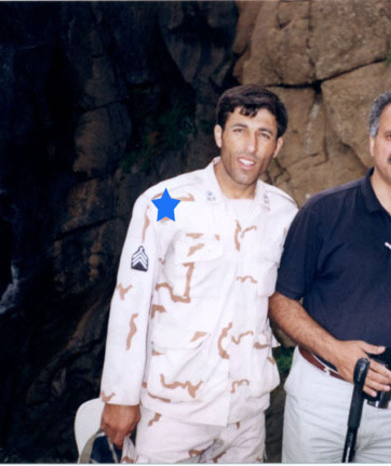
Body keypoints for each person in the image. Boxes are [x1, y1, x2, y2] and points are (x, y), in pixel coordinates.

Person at [99, 84, 298, 463]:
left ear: (278, 146)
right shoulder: (165, 203)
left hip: (246, 411)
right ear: (219, 135)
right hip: (172, 410)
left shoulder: (284, 213)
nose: (250, 146)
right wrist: (120, 396)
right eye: (239, 130)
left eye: (264, 134)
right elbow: (130, 301)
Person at [269, 85, 391, 463]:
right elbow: (282, 302)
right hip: (324, 397)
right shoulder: (323, 212)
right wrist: (336, 353)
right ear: (372, 142)